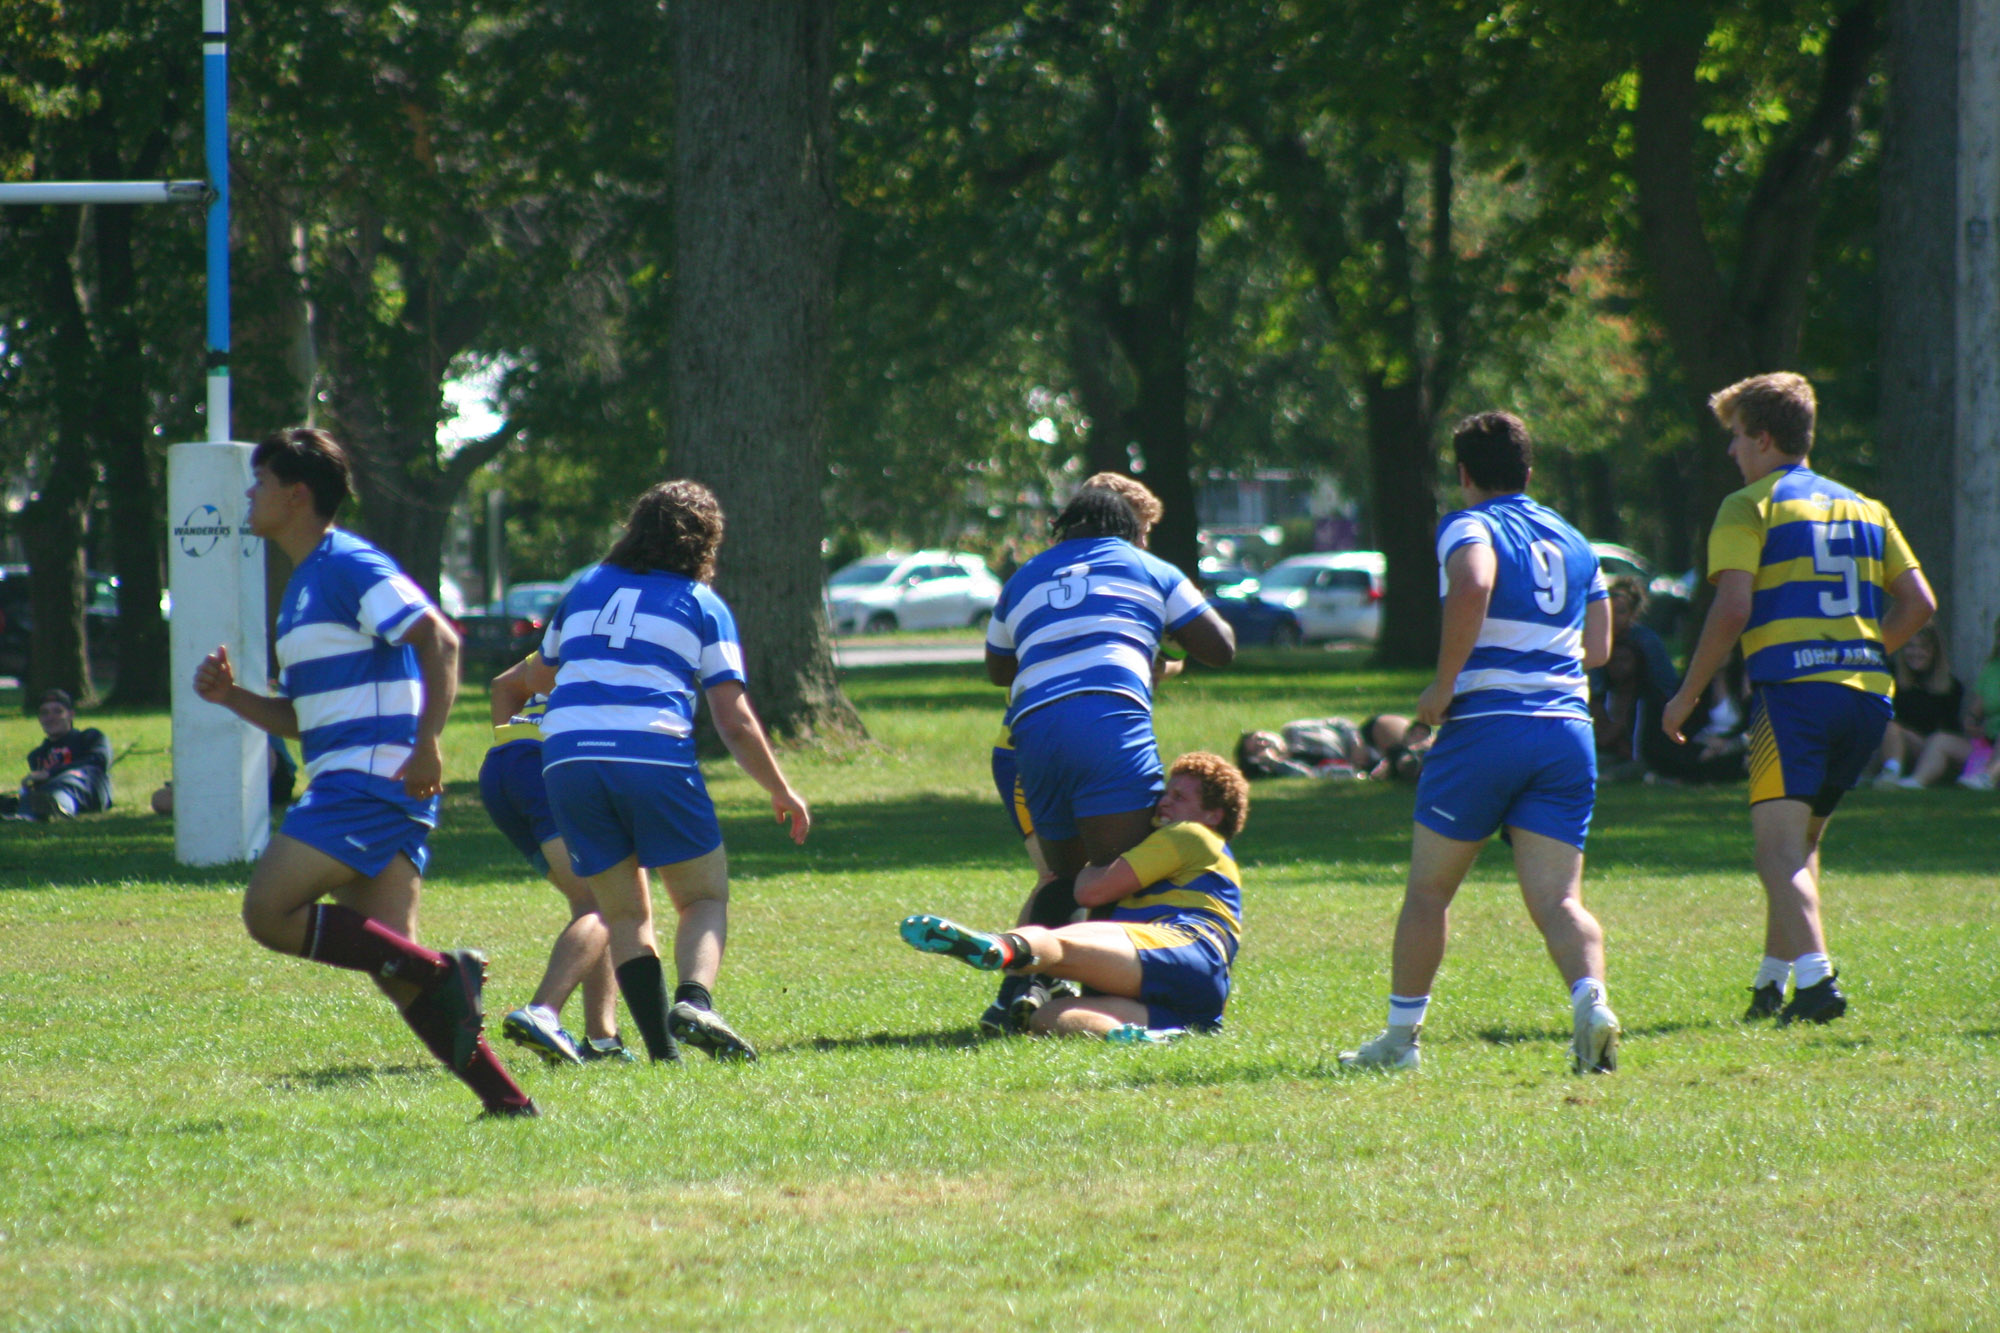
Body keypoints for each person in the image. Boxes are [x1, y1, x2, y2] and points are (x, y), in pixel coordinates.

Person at [194, 427, 534, 1116]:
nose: (250, 495)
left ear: (297, 495)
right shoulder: (301, 586)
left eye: (259, 482)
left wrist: (430, 742)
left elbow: (438, 637)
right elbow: (306, 719)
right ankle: (507, 1100)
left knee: (268, 909)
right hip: (356, 777)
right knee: (394, 970)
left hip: (373, 780)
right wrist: (233, 698)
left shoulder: (346, 563)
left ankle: (445, 970)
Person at [1340, 411, 1619, 1075]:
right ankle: (1592, 1000)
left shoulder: (1471, 523)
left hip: (1487, 727)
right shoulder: (1577, 539)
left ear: (1464, 475)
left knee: (1429, 892)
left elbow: (1472, 582)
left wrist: (1444, 683)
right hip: (1566, 733)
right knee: (1560, 900)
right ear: (1529, 470)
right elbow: (1601, 646)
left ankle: (1401, 1040)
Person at [1661, 372, 1935, 1025]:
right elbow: (1920, 604)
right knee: (1799, 847)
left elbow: (1731, 608)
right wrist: (1863, 651)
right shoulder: (1868, 507)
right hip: (1866, 698)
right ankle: (1771, 981)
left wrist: (1687, 694)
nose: (1730, 452)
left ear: (1762, 437)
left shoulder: (1749, 505)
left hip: (1793, 696)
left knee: (1775, 850)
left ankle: (1817, 983)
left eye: (1734, 437)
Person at [532, 479, 809, 1064]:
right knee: (703, 896)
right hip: (650, 753)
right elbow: (732, 720)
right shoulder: (701, 604)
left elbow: (545, 670)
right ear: (705, 544)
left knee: (625, 912)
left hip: (566, 757)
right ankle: (695, 1000)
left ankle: (663, 1055)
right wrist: (781, 789)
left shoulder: (584, 585)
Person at [980, 485, 1236, 1030]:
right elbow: (1221, 646)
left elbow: (999, 669)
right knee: (1121, 870)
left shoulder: (1023, 577)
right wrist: (1158, 638)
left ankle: (1017, 992)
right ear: (1129, 532)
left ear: (1066, 529)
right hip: (1107, 721)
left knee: (1062, 878)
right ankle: (1117, 991)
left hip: (1032, 732)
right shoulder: (1149, 567)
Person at [902, 751, 1249, 1040]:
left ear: (1213, 814)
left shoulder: (1192, 834)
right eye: (1166, 792)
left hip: (1185, 946)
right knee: (1049, 1018)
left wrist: (1079, 861)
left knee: (1060, 945)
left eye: (1179, 796)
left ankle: (999, 949)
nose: (1163, 803)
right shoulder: (1186, 857)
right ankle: (1142, 1038)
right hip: (1200, 995)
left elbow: (1089, 890)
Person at [479, 655, 633, 1066]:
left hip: (503, 766)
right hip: (556, 763)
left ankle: (602, 1039)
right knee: (607, 902)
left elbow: (504, 684)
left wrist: (514, 745)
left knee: (590, 901)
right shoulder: (651, 635)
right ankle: (543, 1012)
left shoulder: (581, 627)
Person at [1872, 624, 1966, 788]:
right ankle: (1891, 773)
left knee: (1903, 731)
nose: (1916, 653)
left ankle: (1907, 778)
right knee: (1890, 727)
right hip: (1891, 742)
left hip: (1929, 747)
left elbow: (1950, 729)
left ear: (1934, 652)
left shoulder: (1951, 687)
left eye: (1923, 648)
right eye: (1910, 647)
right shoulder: (1890, 676)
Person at [8, 689, 113, 820]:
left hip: (89, 791)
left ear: (71, 715)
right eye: (45, 713)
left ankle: (58, 807)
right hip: (47, 793)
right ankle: (28, 813)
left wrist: (50, 773)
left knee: (72, 778)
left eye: (58, 711)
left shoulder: (90, 737)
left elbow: (99, 760)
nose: (51, 717)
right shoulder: (37, 755)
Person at [150, 734, 299, 815]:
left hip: (269, 780)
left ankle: (230, 799)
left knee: (259, 745)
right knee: (160, 800)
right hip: (218, 783)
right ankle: (220, 800)